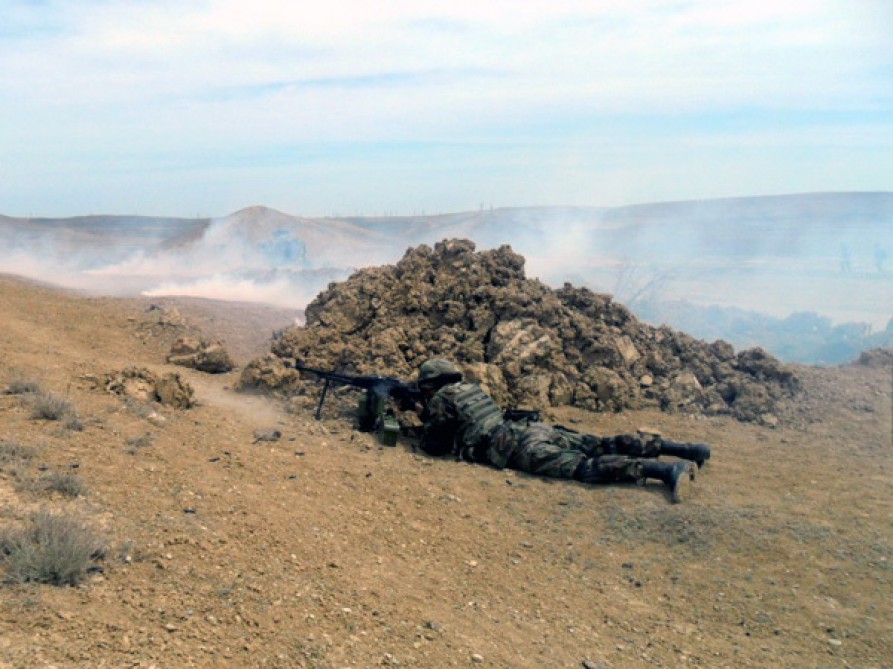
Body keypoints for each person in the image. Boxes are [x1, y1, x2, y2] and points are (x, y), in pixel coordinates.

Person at [413, 359, 711, 503]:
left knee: (583, 468)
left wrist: (418, 419)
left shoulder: (441, 398)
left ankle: (666, 471)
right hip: (532, 428)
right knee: (601, 444)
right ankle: (686, 449)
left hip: (517, 446)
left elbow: (434, 445)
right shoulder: (470, 388)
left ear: (430, 385)